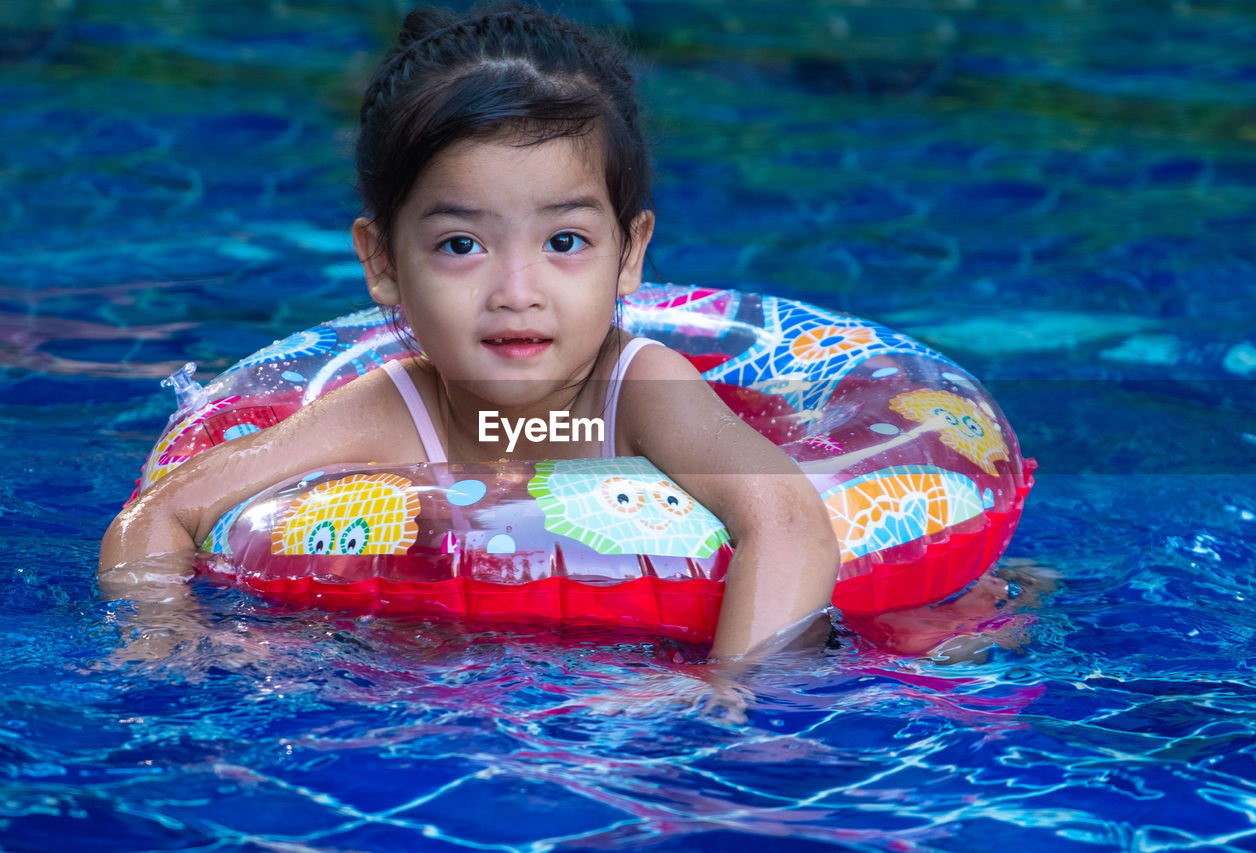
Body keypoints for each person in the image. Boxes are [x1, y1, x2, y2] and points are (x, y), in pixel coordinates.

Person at [100, 2, 840, 663]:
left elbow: (786, 518)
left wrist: (734, 695)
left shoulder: (643, 393)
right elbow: (159, 511)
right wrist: (167, 633)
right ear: (383, 262)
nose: (516, 293)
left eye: (564, 242)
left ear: (631, 251)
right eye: (462, 245)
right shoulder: (390, 409)